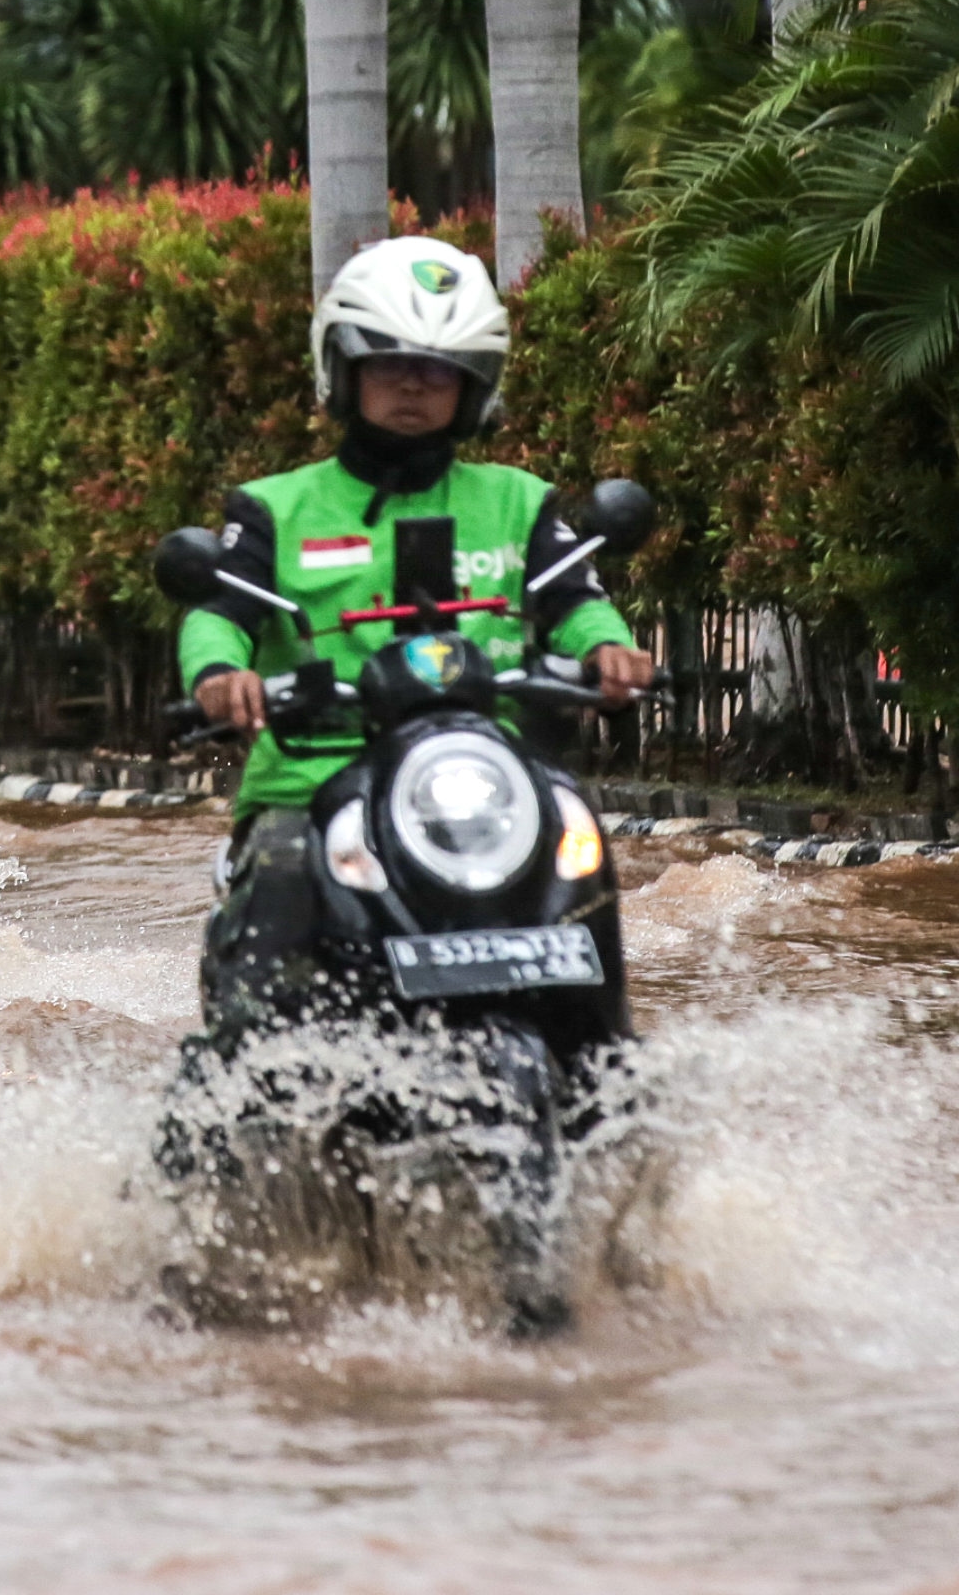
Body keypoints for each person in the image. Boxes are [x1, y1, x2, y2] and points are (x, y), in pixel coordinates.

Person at [177, 235, 656, 1044]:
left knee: (577, 840)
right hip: (314, 778)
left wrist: (611, 650)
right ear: (344, 369)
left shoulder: (520, 501)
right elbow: (218, 611)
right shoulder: (273, 507)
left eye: (439, 368)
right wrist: (221, 672)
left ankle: (607, 1070)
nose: (412, 382)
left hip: (483, 779)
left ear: (473, 386)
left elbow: (576, 597)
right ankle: (231, 1112)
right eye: (389, 361)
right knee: (281, 886)